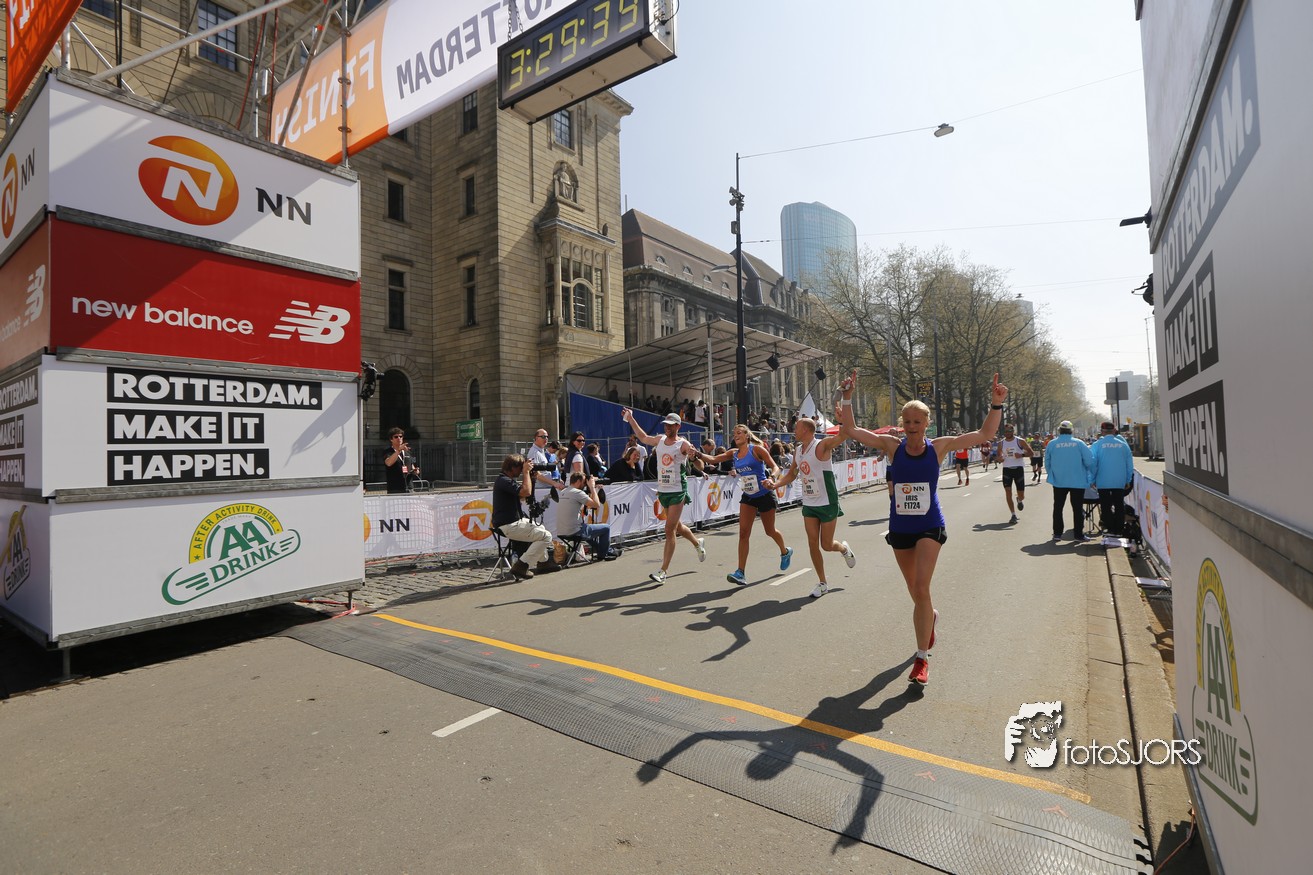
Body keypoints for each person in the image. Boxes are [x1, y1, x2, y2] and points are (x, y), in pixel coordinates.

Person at [837, 369, 1009, 686]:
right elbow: (850, 429)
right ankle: (930, 618)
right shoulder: (892, 446)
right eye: (907, 422)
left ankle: (921, 659)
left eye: (917, 422)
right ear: (902, 424)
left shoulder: (939, 447)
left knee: (922, 588)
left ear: (927, 423)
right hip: (900, 527)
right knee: (915, 592)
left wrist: (996, 403)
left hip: (930, 525)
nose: (912, 427)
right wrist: (847, 396)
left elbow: (985, 433)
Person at [692, 424, 793, 586]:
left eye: (739, 433)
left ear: (747, 435)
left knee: (770, 530)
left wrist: (771, 479)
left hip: (765, 494)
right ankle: (740, 572)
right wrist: (697, 454)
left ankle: (785, 551)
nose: (736, 435)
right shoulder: (734, 453)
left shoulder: (757, 450)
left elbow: (775, 467)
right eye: (734, 433)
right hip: (748, 496)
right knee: (744, 533)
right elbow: (713, 459)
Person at [773, 411, 855, 599]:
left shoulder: (822, 445)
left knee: (826, 545)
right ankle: (822, 583)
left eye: (797, 427)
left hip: (827, 501)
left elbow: (843, 436)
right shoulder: (798, 451)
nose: (794, 430)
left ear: (807, 430)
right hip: (809, 502)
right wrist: (775, 484)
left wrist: (842, 420)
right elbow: (792, 474)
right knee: (812, 543)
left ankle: (844, 549)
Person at [622, 409, 706, 583]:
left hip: (677, 491)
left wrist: (693, 457)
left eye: (671, 425)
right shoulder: (660, 440)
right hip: (663, 490)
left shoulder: (683, 444)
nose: (667, 428)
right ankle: (698, 544)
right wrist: (630, 418)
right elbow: (643, 437)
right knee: (677, 526)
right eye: (666, 425)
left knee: (669, 530)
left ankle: (663, 571)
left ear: (678, 426)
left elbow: (700, 465)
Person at [491, 454, 559, 579]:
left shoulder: (506, 480)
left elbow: (524, 496)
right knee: (546, 536)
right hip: (508, 524)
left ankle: (543, 563)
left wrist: (531, 479)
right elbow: (526, 492)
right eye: (521, 467)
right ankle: (521, 566)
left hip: (512, 521)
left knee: (541, 528)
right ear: (513, 467)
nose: (522, 470)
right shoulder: (503, 481)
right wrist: (526, 472)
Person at [1045, 420, 1095, 541]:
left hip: (1059, 481)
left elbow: (1047, 462)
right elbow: (1089, 461)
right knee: (1077, 508)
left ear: (1059, 430)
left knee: (1058, 507)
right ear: (1071, 430)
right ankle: (1078, 535)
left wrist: (1052, 474)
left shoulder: (1052, 444)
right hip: (1078, 481)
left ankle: (1057, 533)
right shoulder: (1079, 443)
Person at [556, 471, 618, 561]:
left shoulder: (563, 491)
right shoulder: (577, 493)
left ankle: (608, 551)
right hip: (575, 531)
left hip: (562, 532)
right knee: (606, 527)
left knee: (588, 530)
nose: (585, 484)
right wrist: (592, 488)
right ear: (578, 481)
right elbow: (596, 504)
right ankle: (602, 555)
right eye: (584, 482)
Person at [1091, 421, 1135, 536]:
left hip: (1103, 480)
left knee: (1105, 505)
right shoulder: (1123, 445)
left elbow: (1093, 464)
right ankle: (1119, 529)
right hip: (1119, 480)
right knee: (1119, 504)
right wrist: (1128, 479)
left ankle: (1110, 528)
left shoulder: (1097, 445)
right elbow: (1129, 465)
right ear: (1114, 431)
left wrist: (1092, 480)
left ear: (1102, 432)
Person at [997, 423, 1034, 523]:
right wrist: (1000, 459)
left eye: (1009, 431)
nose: (1007, 433)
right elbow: (998, 456)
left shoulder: (1020, 441)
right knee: (1008, 491)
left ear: (1013, 431)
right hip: (1007, 469)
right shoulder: (1001, 443)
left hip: (1018, 469)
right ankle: (1013, 515)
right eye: (1005, 431)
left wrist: (1021, 455)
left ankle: (1019, 499)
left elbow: (1031, 453)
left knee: (1021, 494)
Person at [384, 427, 421, 494]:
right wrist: (398, 450)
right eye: (396, 437)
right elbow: (388, 463)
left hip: (409, 488)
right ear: (391, 439)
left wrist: (415, 471)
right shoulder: (388, 452)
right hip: (395, 489)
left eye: (400, 436)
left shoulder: (408, 452)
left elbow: (412, 465)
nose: (399, 438)